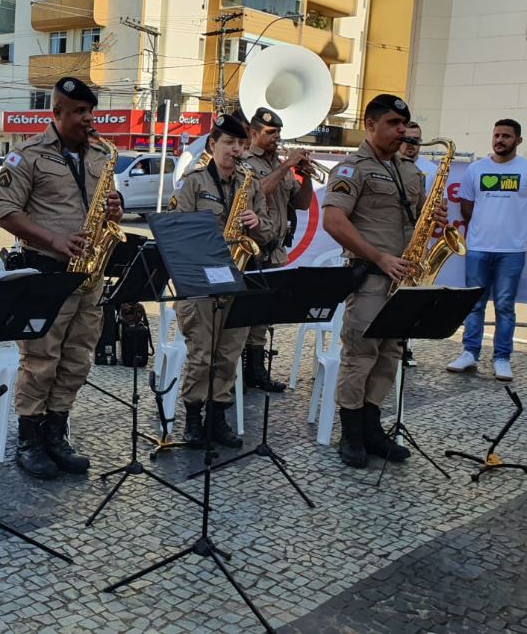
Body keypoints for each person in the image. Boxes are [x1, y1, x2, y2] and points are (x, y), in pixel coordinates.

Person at [0, 77, 122, 479]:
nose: (88, 119)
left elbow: (106, 206)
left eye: (90, 111)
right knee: (41, 359)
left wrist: (114, 209)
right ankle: (29, 438)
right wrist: (54, 239)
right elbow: (4, 211)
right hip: (47, 271)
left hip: (88, 274)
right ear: (57, 112)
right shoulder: (28, 154)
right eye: (79, 112)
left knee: (77, 357)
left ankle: (57, 433)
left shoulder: (102, 156)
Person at [321, 94, 442, 469]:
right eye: (393, 123)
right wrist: (378, 257)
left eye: (403, 125)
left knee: (389, 355)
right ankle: (351, 434)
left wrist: (433, 218)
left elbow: (418, 219)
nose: (401, 131)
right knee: (360, 356)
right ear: (370, 125)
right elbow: (333, 221)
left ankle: (373, 430)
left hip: (405, 280)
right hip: (372, 277)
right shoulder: (350, 168)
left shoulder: (411, 171)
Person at [167, 114, 271, 448]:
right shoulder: (193, 182)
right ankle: (193, 419)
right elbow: (176, 229)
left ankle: (218, 417)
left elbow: (270, 230)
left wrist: (257, 223)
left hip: (238, 278)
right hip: (200, 281)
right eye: (229, 143)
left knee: (228, 353)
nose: (237, 150)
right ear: (213, 145)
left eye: (242, 144)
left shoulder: (249, 182)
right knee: (202, 354)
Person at [447, 118, 527, 382]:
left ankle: (502, 358)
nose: (500, 140)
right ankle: (469, 353)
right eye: (496, 135)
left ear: (518, 141)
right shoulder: (476, 169)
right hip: (479, 248)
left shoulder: (525, 169)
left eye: (506, 136)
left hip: (512, 250)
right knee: (474, 303)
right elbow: (466, 207)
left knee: (505, 305)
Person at [240, 107, 313, 392]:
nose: (276, 138)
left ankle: (256, 371)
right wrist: (286, 166)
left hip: (275, 250)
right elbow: (255, 192)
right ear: (253, 132)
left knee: (264, 314)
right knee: (246, 314)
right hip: (252, 248)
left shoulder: (279, 165)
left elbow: (303, 204)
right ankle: (239, 371)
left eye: (279, 133)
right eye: (270, 133)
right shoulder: (245, 162)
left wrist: (305, 176)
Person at [396, 120, 435, 367]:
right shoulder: (391, 166)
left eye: (416, 140)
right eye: (407, 140)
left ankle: (404, 347)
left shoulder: (430, 170)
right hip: (392, 240)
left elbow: (427, 208)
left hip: (415, 240)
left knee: (409, 298)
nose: (411, 145)